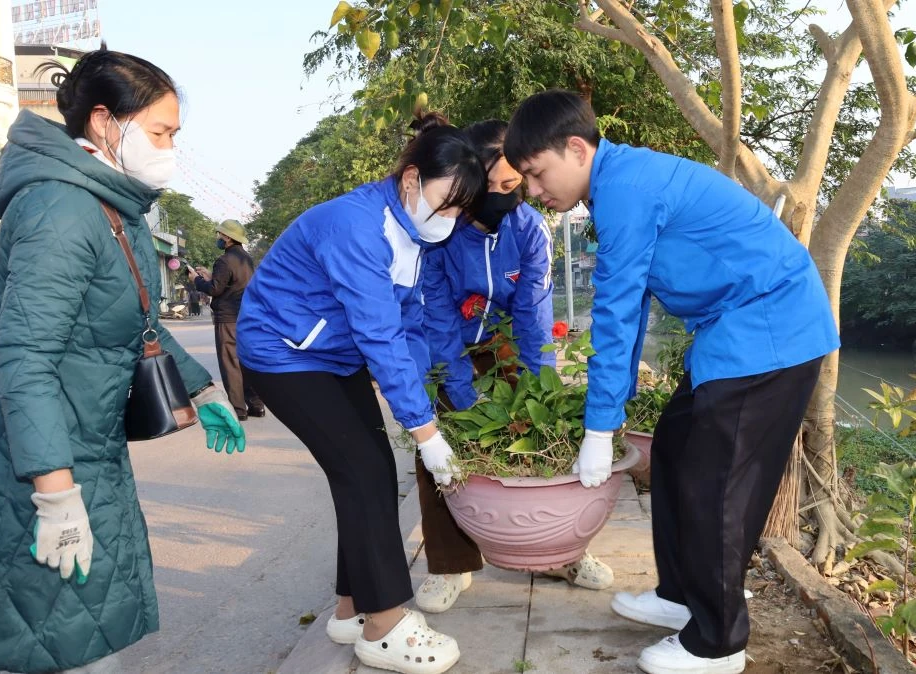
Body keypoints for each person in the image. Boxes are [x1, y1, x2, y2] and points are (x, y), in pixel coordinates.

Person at [503, 90, 840, 674]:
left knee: (717, 486)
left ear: (576, 149)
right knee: (680, 448)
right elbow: (629, 309)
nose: (534, 192)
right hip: (735, 330)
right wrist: (608, 413)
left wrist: (599, 424)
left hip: (770, 328)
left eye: (536, 174)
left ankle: (718, 642)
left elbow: (614, 306)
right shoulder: (619, 182)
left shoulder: (627, 191)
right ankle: (681, 595)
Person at [0, 47, 247, 674]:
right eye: (160, 132)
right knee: (62, 637)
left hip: (82, 447)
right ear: (103, 122)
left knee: (80, 631)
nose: (170, 147)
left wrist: (200, 391)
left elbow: (132, 323)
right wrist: (55, 495)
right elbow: (24, 353)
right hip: (38, 462)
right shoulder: (61, 209)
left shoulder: (111, 201)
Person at [236, 112, 485, 674]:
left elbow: (408, 326)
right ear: (410, 179)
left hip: (335, 354)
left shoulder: (412, 232)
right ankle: (385, 627)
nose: (448, 218)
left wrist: (433, 405)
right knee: (365, 471)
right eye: (444, 201)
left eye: (458, 210)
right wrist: (426, 433)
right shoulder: (355, 225)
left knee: (368, 467)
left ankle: (351, 609)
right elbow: (378, 334)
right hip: (284, 353)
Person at [415, 119, 614, 614]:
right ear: (469, 179)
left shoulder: (529, 229)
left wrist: (536, 386)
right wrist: (463, 396)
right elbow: (437, 319)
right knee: (441, 456)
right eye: (493, 186)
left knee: (541, 436)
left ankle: (559, 553)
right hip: (449, 348)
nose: (505, 196)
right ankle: (450, 565)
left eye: (514, 185)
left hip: (508, 343)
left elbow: (534, 312)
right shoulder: (438, 234)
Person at [191, 219, 264, 420]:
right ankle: (256, 405)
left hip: (228, 318)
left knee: (230, 363)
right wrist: (210, 276)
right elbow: (229, 283)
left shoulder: (224, 260)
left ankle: (239, 410)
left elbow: (215, 289)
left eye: (220, 235)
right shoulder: (246, 259)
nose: (218, 238)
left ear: (228, 238)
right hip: (245, 316)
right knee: (246, 362)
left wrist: (196, 280)